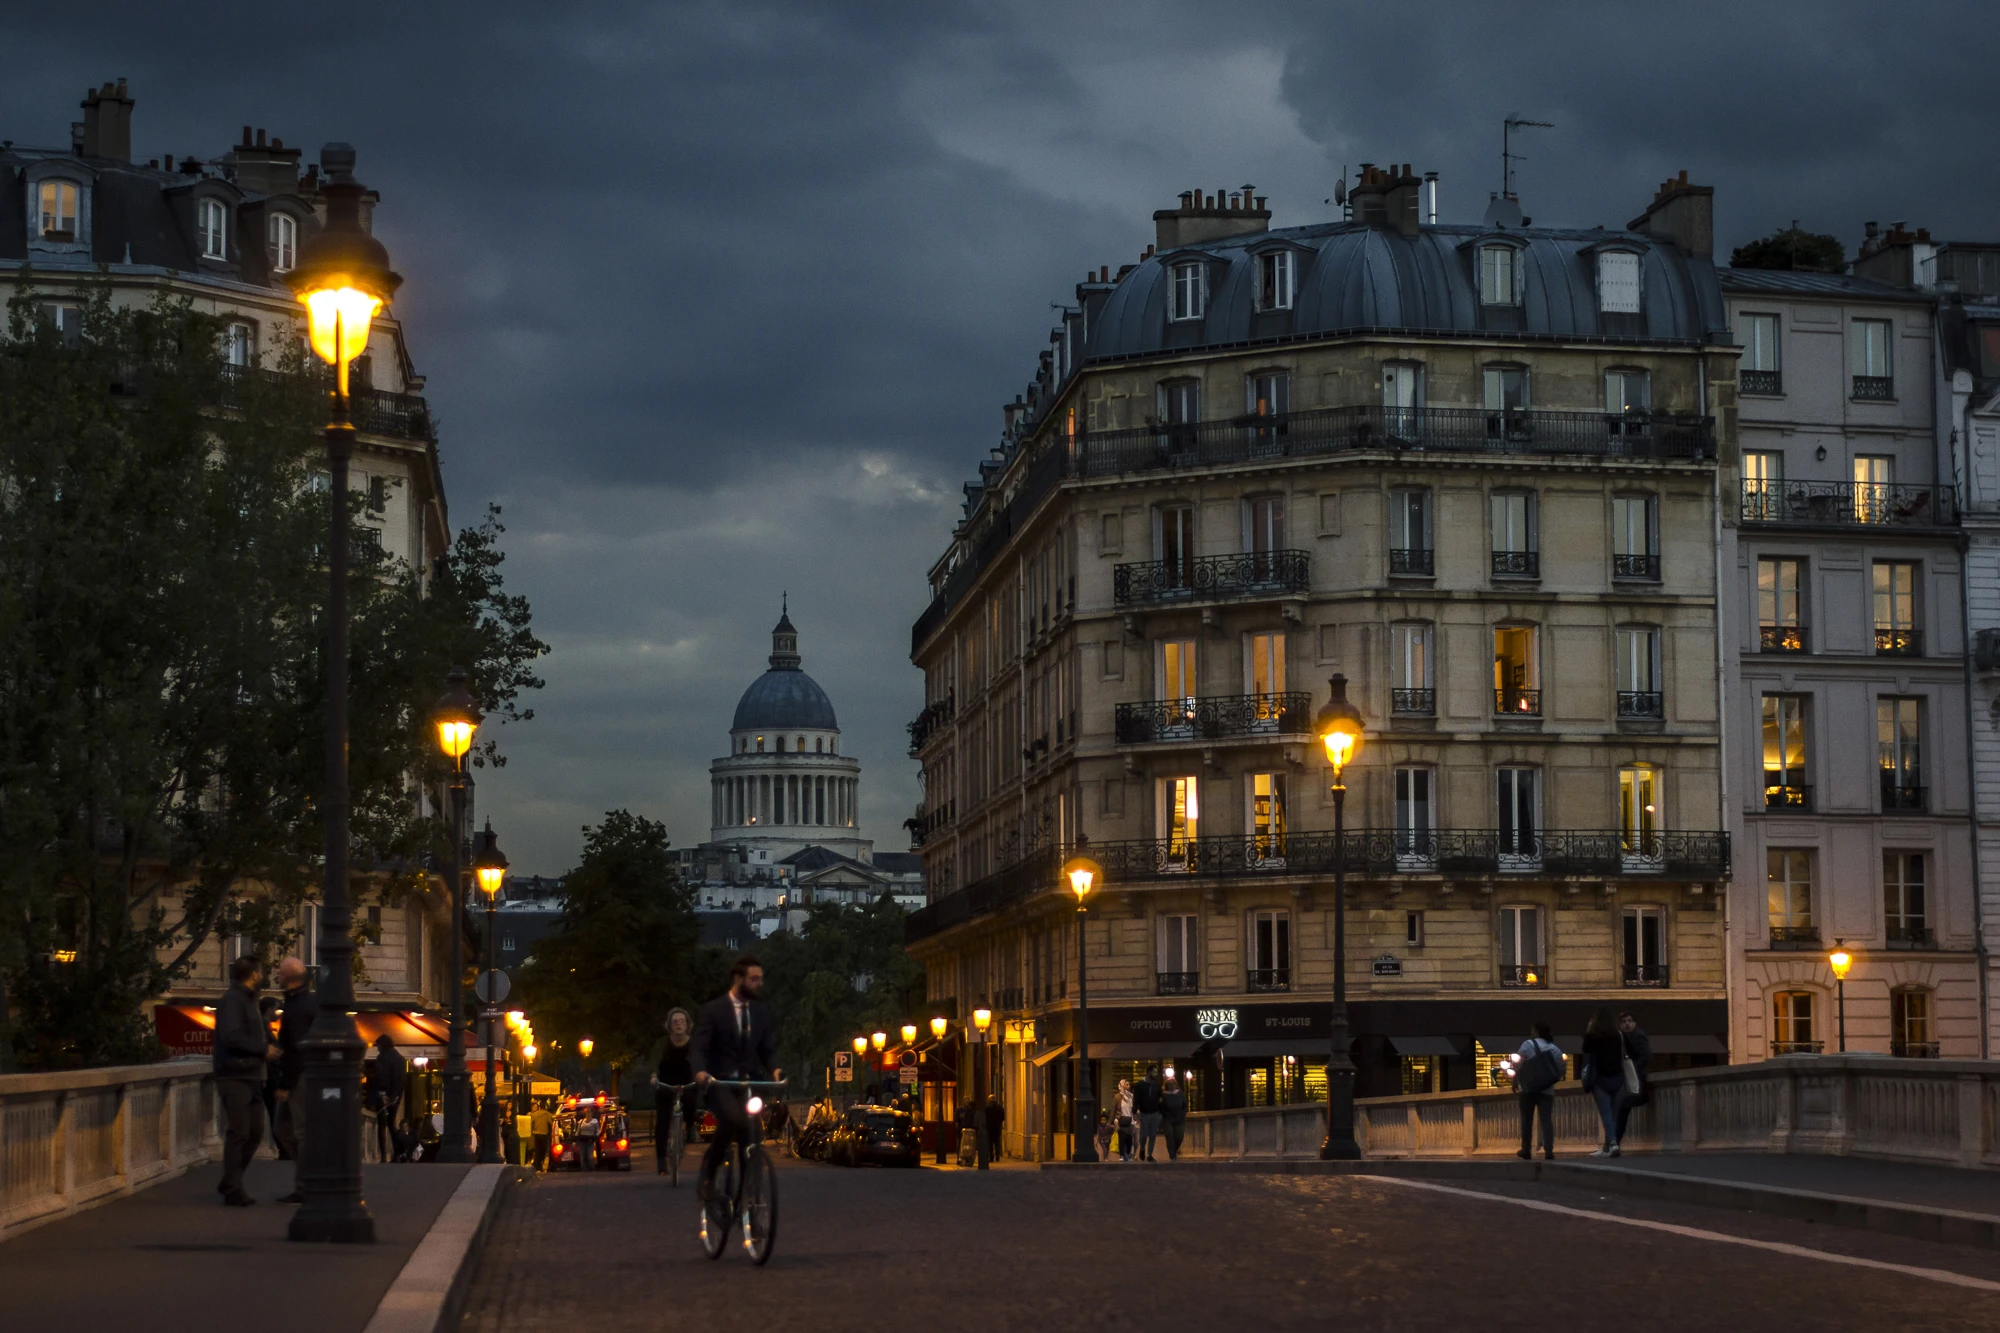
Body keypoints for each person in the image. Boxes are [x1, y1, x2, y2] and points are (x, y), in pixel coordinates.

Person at [691, 956, 782, 1202]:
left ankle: (748, 1196)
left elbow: (767, 1049)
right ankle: (709, 1174)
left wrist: (775, 1070)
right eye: (754, 979)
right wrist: (700, 1071)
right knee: (732, 1118)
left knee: (751, 1132)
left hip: (748, 1082)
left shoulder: (760, 1012)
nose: (759, 983)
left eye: (761, 979)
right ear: (738, 979)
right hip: (719, 1082)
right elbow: (699, 1047)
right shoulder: (713, 1010)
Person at [214, 955, 278, 1206]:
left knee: (255, 1131)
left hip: (250, 1074)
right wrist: (262, 1050)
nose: (262, 976)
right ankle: (233, 1187)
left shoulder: (249, 1001)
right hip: (234, 1074)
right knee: (240, 1131)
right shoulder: (233, 1001)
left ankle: (232, 1179)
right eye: (260, 972)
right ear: (252, 974)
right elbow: (232, 1037)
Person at [273, 956, 318, 1204]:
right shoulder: (306, 1002)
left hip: (299, 1077)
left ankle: (307, 1184)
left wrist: (284, 1085)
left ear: (288, 979)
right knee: (286, 1129)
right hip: (302, 1075)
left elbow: (297, 1050)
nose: (276, 977)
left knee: (297, 1131)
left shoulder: (297, 1008)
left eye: (279, 973)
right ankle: (309, 1177)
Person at [652, 1007, 698, 1175]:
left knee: (691, 1102)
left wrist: (701, 1075)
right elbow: (655, 1062)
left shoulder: (694, 1044)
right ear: (670, 1026)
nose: (678, 1024)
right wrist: (653, 1076)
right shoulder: (662, 1043)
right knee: (662, 1122)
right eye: (675, 1021)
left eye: (681, 1021)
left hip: (687, 1082)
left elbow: (700, 1062)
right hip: (666, 1083)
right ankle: (661, 1160)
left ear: (687, 1025)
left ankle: (691, 1127)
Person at [1513, 1021, 1566, 1161]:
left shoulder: (1527, 1045)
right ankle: (1549, 1150)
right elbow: (1561, 1069)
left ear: (1536, 1031)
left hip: (1528, 1089)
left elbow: (1518, 1064)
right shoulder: (1554, 1049)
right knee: (1546, 1119)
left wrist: (1515, 1081)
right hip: (1547, 1090)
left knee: (1526, 1120)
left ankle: (1526, 1149)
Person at [1582, 1006, 1629, 1157]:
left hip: (1600, 1079)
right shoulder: (1619, 1035)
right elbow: (1630, 1052)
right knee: (1614, 1114)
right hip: (1619, 1078)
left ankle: (1613, 1144)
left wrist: (1588, 1030)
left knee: (1606, 1114)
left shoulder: (1594, 1035)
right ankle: (1608, 1147)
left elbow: (1585, 1049)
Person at [1614, 1011, 1653, 1145]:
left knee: (1621, 1111)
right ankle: (1614, 1143)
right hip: (1629, 1079)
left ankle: (1614, 1143)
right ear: (1620, 1025)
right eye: (1624, 1022)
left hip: (1634, 1079)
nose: (1627, 1024)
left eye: (1630, 1021)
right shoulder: (1624, 1038)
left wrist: (1633, 1070)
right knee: (1621, 1111)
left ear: (1635, 1023)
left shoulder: (1638, 1036)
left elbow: (1646, 1056)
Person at [369, 1034, 407, 1165]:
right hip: (395, 1096)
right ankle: (398, 1152)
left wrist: (382, 1094)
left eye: (378, 1045)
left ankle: (384, 1154)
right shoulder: (401, 1059)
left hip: (383, 1096)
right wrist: (395, 1096)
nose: (377, 1048)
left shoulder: (382, 1058)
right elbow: (401, 1080)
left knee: (382, 1125)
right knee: (392, 1124)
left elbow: (381, 1077)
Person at [257, 996, 283, 1157]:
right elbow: (267, 1050)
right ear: (268, 1009)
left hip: (269, 1075)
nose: (278, 1013)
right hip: (268, 1076)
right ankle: (284, 1149)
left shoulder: (264, 1026)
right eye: (276, 1009)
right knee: (276, 1113)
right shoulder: (262, 1027)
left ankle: (283, 1148)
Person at [1133, 1067, 1164, 1162]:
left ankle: (1150, 1154)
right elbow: (1136, 1098)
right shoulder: (1140, 1085)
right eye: (1154, 1072)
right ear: (1149, 1072)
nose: (1156, 1074)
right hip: (1144, 1113)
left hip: (1155, 1113)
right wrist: (1134, 1111)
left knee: (1153, 1135)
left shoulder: (1156, 1085)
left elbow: (1161, 1098)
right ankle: (1142, 1148)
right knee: (1144, 1134)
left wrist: (1160, 1112)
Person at [1159, 1071, 1188, 1161]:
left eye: (1173, 1084)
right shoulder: (1164, 1095)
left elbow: (1185, 1106)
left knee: (1179, 1136)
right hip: (1168, 1120)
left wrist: (1182, 1115)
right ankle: (1172, 1155)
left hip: (1179, 1119)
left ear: (1176, 1085)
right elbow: (1161, 1108)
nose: (1172, 1086)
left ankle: (1174, 1150)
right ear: (1167, 1086)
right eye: (1170, 1084)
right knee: (1170, 1137)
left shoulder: (1180, 1094)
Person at [1113, 1078, 1136, 1161]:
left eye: (1129, 1084)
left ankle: (1128, 1154)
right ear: (1122, 1085)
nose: (1128, 1086)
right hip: (1121, 1121)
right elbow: (1114, 1110)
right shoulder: (1117, 1097)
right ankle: (1122, 1155)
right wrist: (1110, 1122)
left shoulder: (1131, 1096)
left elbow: (1134, 1109)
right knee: (1122, 1139)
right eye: (1126, 1084)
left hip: (1131, 1121)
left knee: (1129, 1140)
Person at [530, 1099, 554, 1172]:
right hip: (544, 1135)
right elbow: (552, 1123)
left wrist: (533, 1130)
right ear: (545, 1107)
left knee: (537, 1151)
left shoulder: (534, 1114)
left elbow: (531, 1124)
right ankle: (539, 1164)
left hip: (536, 1135)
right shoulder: (548, 1114)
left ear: (539, 1107)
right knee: (543, 1151)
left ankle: (537, 1165)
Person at [577, 1105, 602, 1171]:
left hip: (590, 1140)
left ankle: (592, 1168)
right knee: (582, 1156)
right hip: (582, 1140)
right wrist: (575, 1140)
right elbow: (578, 1131)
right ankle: (584, 1169)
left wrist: (595, 1137)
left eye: (589, 1112)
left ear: (592, 1113)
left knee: (589, 1156)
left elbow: (597, 1131)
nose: (587, 1113)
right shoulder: (581, 1121)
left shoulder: (595, 1121)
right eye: (586, 1112)